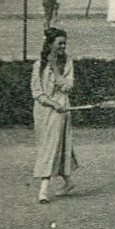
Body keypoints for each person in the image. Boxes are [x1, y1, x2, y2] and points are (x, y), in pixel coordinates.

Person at [30, 27, 77, 203]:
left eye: (65, 43)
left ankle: (43, 191)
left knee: (50, 147)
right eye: (59, 43)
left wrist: (56, 71)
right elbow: (37, 93)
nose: (63, 46)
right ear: (50, 44)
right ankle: (69, 182)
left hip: (62, 110)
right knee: (55, 145)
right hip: (43, 112)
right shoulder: (38, 65)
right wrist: (52, 103)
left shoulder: (68, 62)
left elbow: (68, 86)